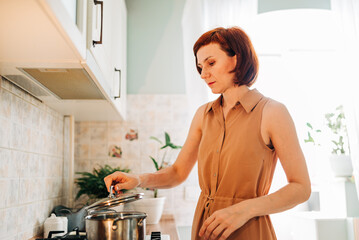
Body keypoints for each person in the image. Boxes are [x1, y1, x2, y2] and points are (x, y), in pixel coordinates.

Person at [104, 26, 311, 240]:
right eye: (200, 67)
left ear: (236, 59)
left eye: (211, 63)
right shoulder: (203, 114)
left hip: (249, 230)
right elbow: (177, 172)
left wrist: (243, 210)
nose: (203, 74)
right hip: (204, 230)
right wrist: (137, 179)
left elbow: (301, 188)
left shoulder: (272, 112)